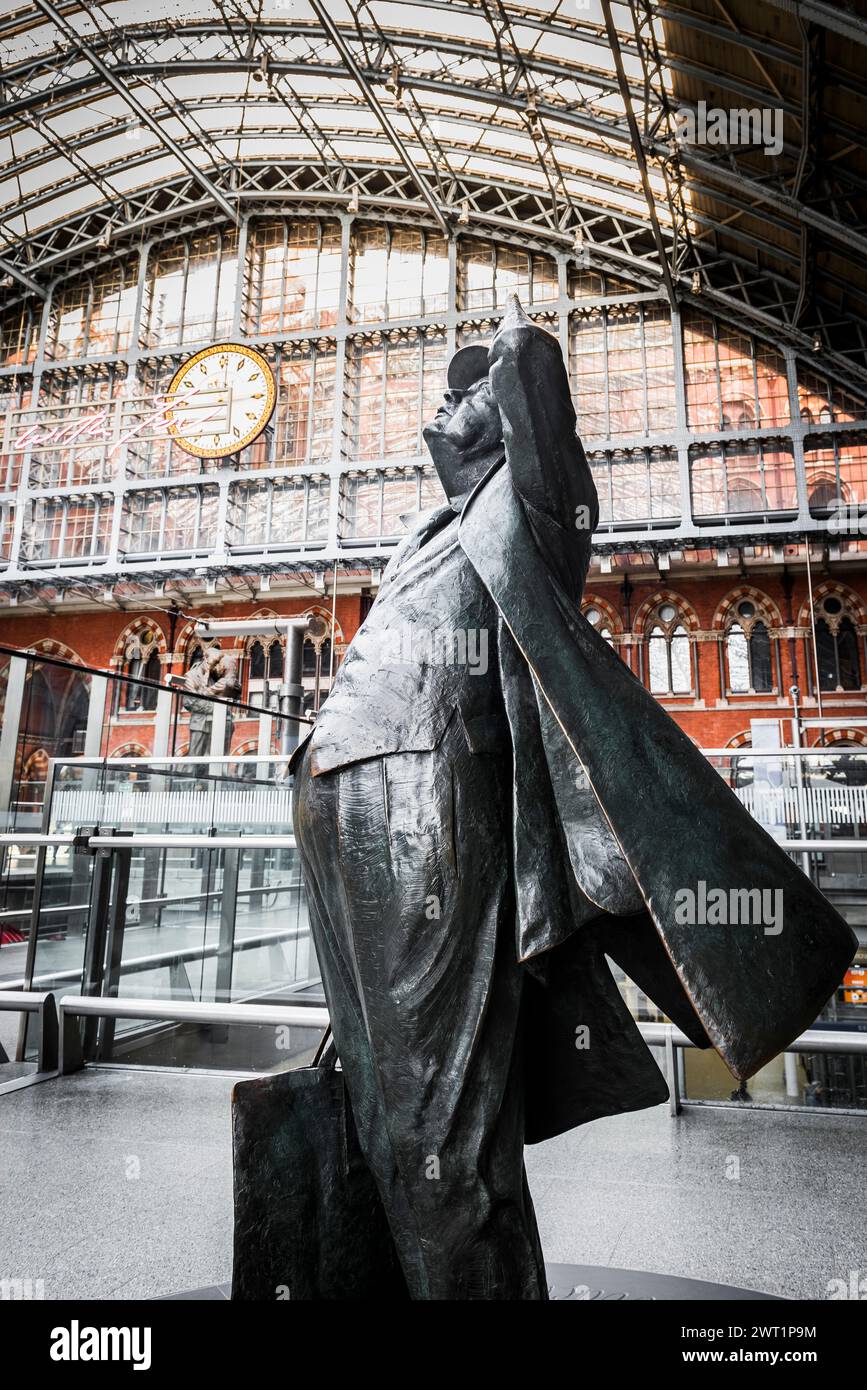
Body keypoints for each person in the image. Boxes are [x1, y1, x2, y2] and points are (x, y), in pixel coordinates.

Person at [290, 296, 855, 1300]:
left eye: (477, 387)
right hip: (339, 787)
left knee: (441, 1125)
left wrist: (516, 335)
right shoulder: (437, 528)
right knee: (383, 1105)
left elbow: (537, 388)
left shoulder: (536, 510)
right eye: (453, 385)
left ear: (510, 417)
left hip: (424, 778)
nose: (450, 398)